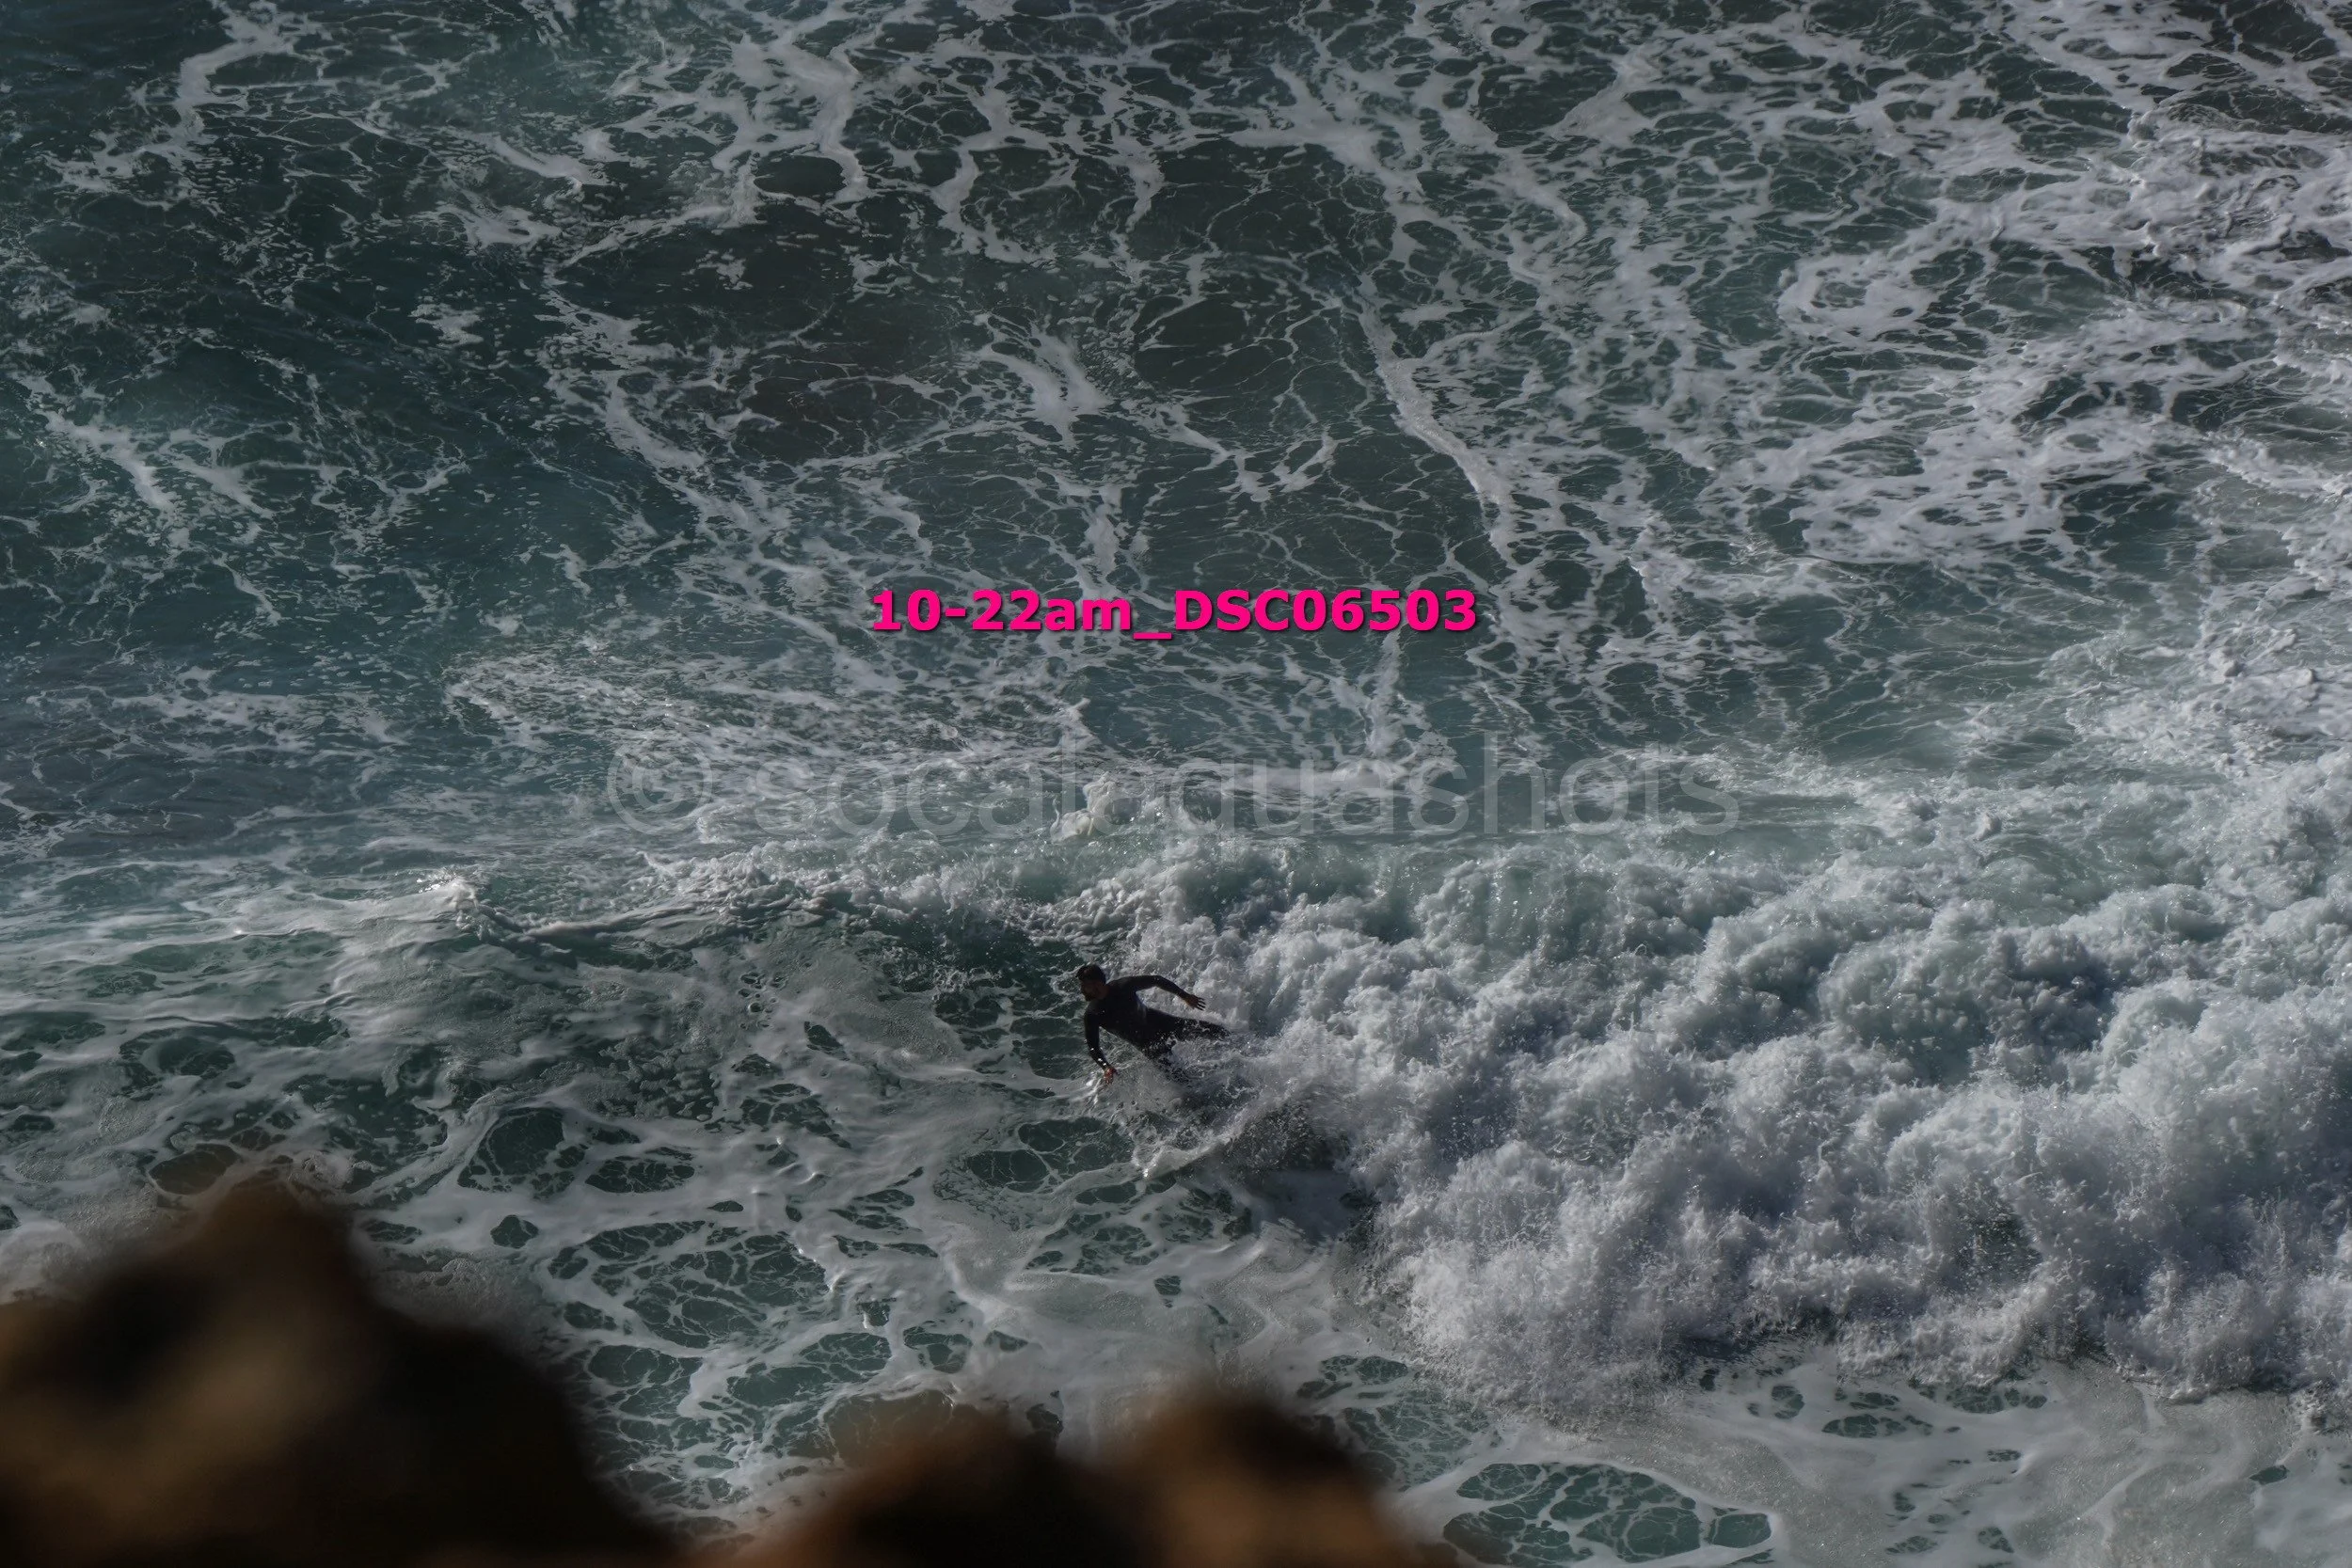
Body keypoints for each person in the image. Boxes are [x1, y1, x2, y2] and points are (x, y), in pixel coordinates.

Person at [1075, 965, 1225, 1083]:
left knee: (1213, 1031)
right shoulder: (1092, 1014)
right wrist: (1106, 1067)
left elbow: (1156, 980)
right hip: (1150, 1047)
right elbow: (1093, 1047)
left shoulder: (1123, 986)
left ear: (1098, 984)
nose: (1082, 990)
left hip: (1161, 1023)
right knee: (1184, 1081)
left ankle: (1242, 1045)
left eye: (1085, 985)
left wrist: (1185, 996)